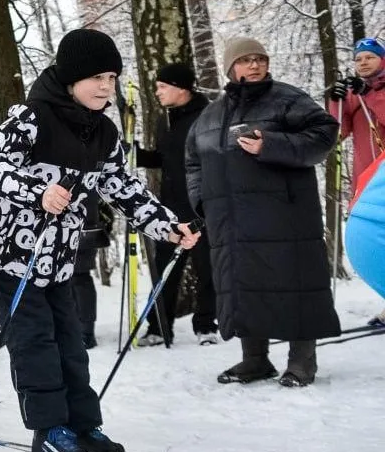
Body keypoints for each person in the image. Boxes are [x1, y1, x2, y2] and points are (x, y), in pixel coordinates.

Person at [0, 28, 199, 452]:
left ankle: (82, 425)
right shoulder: (30, 118)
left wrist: (169, 227)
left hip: (55, 257)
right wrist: (38, 191)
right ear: (71, 77)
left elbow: (125, 188)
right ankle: (49, 434)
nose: (105, 86)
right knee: (35, 342)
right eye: (96, 77)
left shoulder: (104, 132)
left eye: (111, 78)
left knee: (70, 342)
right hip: (8, 255)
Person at [187, 38, 340, 387]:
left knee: (296, 284)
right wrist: (202, 201)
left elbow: (325, 132)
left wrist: (272, 145)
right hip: (233, 221)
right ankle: (255, 360)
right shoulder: (211, 115)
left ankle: (302, 362)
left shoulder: (287, 99)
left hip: (286, 216)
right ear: (230, 68)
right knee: (244, 286)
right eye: (245, 60)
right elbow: (193, 161)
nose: (254, 65)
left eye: (259, 59)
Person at [135, 62, 219, 347]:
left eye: (162, 86)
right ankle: (158, 327)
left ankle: (206, 325)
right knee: (163, 267)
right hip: (170, 208)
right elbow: (163, 158)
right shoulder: (166, 119)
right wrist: (137, 155)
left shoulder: (207, 116)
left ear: (181, 88)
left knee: (207, 267)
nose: (157, 92)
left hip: (202, 205)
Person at [327, 37, 385, 327]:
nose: (363, 63)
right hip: (367, 178)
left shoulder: (378, 91)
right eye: (359, 58)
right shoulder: (354, 94)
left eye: (369, 58)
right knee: (376, 244)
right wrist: (336, 100)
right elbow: (338, 132)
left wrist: (372, 95)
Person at [71, 195, 113, 350]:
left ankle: (86, 333)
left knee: (79, 277)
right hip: (66, 222)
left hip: (85, 225)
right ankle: (75, 330)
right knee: (67, 280)